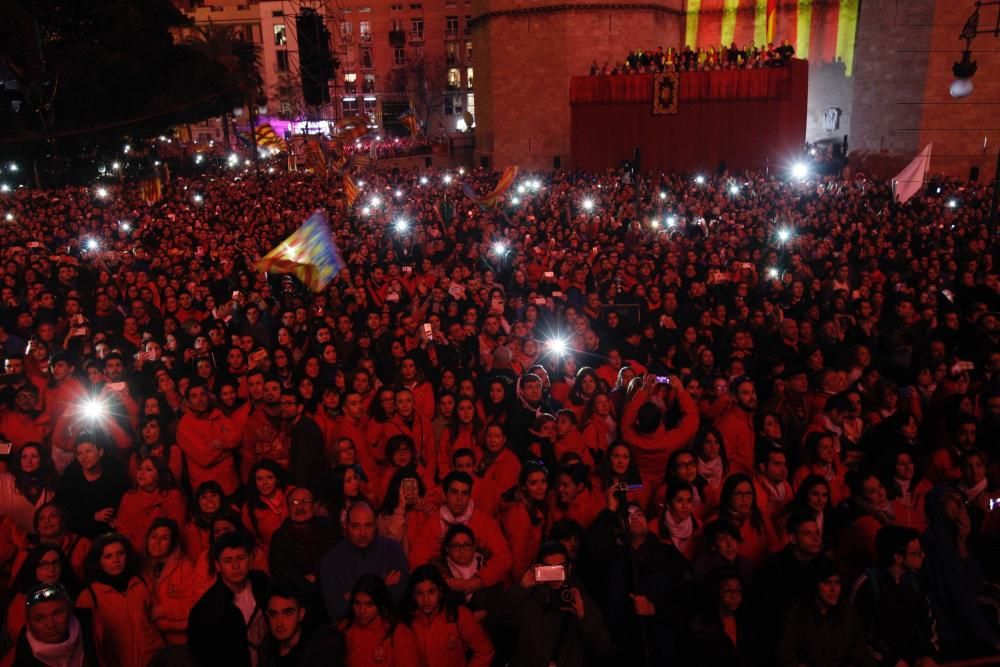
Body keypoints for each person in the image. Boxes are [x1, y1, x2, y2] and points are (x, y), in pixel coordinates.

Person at [584, 492, 694, 664]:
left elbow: (686, 597)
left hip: (661, 647)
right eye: (627, 516)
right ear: (619, 525)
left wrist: (654, 608)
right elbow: (589, 551)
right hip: (622, 646)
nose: (634, 518)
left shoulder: (668, 555)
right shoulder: (610, 556)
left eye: (639, 514)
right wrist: (610, 510)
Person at [497, 541, 612, 667]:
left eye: (559, 569)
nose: (555, 576)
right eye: (549, 569)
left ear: (568, 568)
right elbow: (500, 624)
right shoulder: (528, 600)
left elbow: (601, 645)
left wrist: (583, 617)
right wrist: (521, 588)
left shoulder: (578, 599)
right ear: (540, 569)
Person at [849, 525, 939, 666]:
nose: (923, 555)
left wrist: (927, 654)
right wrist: (891, 661)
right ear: (898, 557)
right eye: (916, 552)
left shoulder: (916, 581)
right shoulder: (868, 585)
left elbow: (927, 622)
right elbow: (860, 634)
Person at [407, 472, 511, 588]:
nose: (459, 499)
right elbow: (416, 562)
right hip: (444, 588)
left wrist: (478, 581)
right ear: (444, 496)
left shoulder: (485, 522)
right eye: (454, 492)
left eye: (464, 493)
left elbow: (504, 558)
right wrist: (443, 581)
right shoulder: (432, 524)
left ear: (470, 496)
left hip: (481, 588)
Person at [76, 533, 164, 667]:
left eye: (120, 553)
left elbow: (155, 618)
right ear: (99, 562)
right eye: (108, 556)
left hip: (153, 658)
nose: (116, 560)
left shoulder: (141, 582)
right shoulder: (89, 596)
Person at [188, 530, 271, 667]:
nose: (236, 566)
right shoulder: (205, 610)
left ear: (250, 559)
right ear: (217, 565)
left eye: (241, 558)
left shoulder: (261, 582)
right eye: (228, 560)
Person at [777, 555, 877, 667]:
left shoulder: (847, 611)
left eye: (837, 583)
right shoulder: (795, 613)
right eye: (827, 583)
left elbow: (859, 652)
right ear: (814, 585)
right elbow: (786, 657)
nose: (834, 589)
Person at [750, 513, 824, 663]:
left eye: (817, 532)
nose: (816, 539)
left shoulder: (824, 565)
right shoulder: (774, 569)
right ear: (793, 538)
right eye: (807, 534)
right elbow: (765, 616)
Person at [320, 501, 409, 621]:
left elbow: (399, 599)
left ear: (376, 524)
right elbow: (337, 610)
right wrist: (383, 585)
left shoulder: (393, 550)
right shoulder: (331, 561)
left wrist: (352, 595)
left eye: (368, 525)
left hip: (388, 627)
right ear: (345, 526)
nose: (362, 533)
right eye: (355, 526)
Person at [403, 564, 494, 667]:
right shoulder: (408, 622)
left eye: (431, 592)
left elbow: (484, 651)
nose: (426, 599)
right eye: (419, 593)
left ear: (440, 592)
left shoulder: (458, 614)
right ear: (413, 595)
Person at [7, 583, 102, 667]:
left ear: (70, 611)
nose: (51, 625)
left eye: (58, 613)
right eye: (40, 618)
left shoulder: (92, 629)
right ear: (28, 624)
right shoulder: (23, 654)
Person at [53, 435, 129, 539]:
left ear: (100, 452)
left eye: (88, 451)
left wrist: (117, 517)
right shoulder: (71, 477)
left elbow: (126, 498)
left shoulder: (114, 470)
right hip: (81, 534)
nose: (84, 457)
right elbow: (64, 510)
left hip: (112, 532)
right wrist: (93, 517)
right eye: (79, 453)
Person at [339, 574, 419, 667]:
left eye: (369, 604)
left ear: (380, 605)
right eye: (357, 603)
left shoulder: (399, 633)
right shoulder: (344, 628)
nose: (361, 610)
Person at [5, 544, 80, 643]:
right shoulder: (22, 598)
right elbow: (19, 635)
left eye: (56, 563)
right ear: (33, 567)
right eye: (43, 565)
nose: (51, 569)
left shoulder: (71, 591)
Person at [144, 518, 199, 645]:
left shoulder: (185, 567)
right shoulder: (140, 569)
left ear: (172, 542)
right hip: (150, 643)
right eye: (153, 536)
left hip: (181, 643)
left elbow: (194, 606)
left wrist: (161, 611)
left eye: (164, 538)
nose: (157, 542)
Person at [268, 486, 338, 585]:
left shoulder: (327, 527)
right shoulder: (280, 538)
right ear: (288, 509)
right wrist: (302, 580)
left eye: (305, 501)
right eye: (294, 503)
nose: (299, 507)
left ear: (314, 506)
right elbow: (280, 574)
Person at [115, 455, 186, 552]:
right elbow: (123, 530)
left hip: (164, 552)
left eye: (148, 470)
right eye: (140, 469)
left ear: (159, 475)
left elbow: (176, 530)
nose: (142, 473)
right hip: (135, 554)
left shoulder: (172, 496)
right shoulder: (128, 497)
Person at [260, 582, 338, 667]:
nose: (279, 623)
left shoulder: (316, 651)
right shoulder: (267, 649)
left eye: (288, 613)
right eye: (273, 614)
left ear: (301, 613)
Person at [689, 570, 757, 667]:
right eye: (727, 590)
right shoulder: (701, 625)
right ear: (715, 592)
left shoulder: (745, 623)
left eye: (738, 590)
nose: (734, 595)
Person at [499, 461, 548, 582]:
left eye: (543, 481)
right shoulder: (519, 514)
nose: (540, 487)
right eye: (533, 483)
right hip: (515, 582)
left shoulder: (532, 508)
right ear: (523, 487)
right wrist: (522, 586)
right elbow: (517, 562)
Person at [0, 442, 57, 535]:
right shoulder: (6, 480)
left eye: (34, 456)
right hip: (13, 540)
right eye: (24, 457)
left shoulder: (50, 482)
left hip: (42, 539)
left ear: (42, 459)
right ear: (20, 461)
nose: (28, 461)